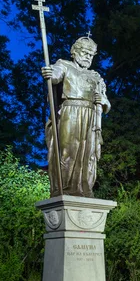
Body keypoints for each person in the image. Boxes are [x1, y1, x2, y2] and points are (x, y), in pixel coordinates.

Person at [41, 36, 110, 197]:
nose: (87, 56)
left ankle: (84, 188)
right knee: (67, 150)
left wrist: (103, 101)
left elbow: (106, 101)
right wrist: (50, 73)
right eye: (84, 52)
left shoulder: (96, 76)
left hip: (90, 117)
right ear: (74, 52)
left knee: (88, 153)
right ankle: (63, 188)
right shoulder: (64, 65)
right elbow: (56, 75)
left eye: (91, 54)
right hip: (70, 112)